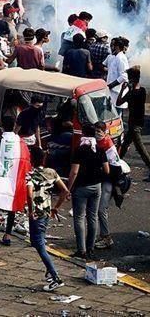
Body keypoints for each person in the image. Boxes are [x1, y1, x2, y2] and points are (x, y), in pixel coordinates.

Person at [25, 144, 68, 291]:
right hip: (47, 211)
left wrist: (31, 210)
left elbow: (29, 194)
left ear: (31, 159)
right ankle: (50, 271)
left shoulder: (30, 175)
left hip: (36, 214)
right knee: (37, 241)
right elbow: (65, 190)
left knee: (39, 244)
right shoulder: (51, 173)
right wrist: (56, 207)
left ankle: (55, 277)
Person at [0, 115, 30, 246]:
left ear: (2, 126)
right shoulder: (20, 142)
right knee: (11, 205)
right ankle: (7, 234)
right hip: (15, 176)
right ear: (14, 126)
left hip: (1, 175)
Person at [67, 124, 109, 260]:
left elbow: (74, 172)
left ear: (83, 134)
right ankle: (90, 248)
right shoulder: (99, 149)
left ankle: (82, 250)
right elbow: (107, 170)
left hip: (81, 188)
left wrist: (68, 189)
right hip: (96, 187)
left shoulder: (79, 150)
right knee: (93, 217)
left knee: (79, 217)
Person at [117, 67, 150, 175]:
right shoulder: (142, 91)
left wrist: (123, 89)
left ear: (132, 79)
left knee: (141, 149)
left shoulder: (132, 93)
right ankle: (116, 163)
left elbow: (118, 102)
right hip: (137, 123)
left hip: (134, 125)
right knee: (125, 145)